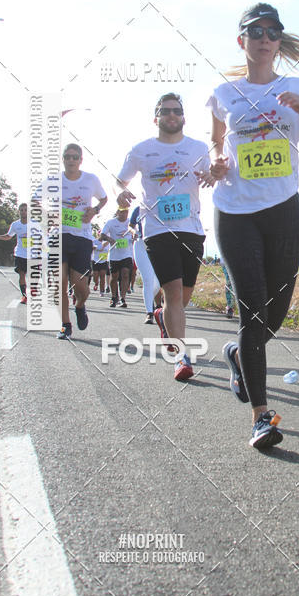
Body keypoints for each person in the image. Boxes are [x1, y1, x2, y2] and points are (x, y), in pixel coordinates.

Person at [207, 2, 299, 449]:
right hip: (235, 212)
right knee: (251, 309)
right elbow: (214, 145)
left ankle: (236, 354)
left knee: (276, 310)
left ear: (279, 42)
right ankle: (261, 417)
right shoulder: (223, 94)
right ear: (241, 40)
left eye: (272, 32)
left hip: (283, 209)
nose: (265, 38)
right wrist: (216, 162)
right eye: (256, 31)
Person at [117, 93, 211, 380]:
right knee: (172, 292)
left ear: (183, 117)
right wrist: (120, 194)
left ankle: (162, 317)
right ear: (155, 117)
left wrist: (214, 176)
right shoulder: (141, 150)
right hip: (157, 229)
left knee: (183, 298)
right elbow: (120, 182)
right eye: (166, 111)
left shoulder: (198, 147)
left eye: (177, 111)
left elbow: (211, 176)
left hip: (192, 228)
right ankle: (182, 357)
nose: (172, 115)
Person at [56, 144, 107, 339]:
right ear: (63, 159)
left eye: (75, 157)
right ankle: (65, 325)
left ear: (80, 160)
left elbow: (104, 198)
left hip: (82, 238)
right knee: (59, 282)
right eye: (67, 157)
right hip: (59, 236)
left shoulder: (91, 180)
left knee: (81, 287)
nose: (71, 160)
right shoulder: (54, 181)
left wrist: (95, 210)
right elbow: (36, 201)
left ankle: (80, 305)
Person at [129, 204, 162, 324]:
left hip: (158, 245)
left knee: (158, 282)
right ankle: (149, 312)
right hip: (140, 245)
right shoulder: (138, 209)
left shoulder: (161, 205)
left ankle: (149, 299)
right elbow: (130, 225)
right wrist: (133, 231)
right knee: (147, 279)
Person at [0, 203, 28, 302]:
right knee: (21, 274)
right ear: (19, 211)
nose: (23, 212)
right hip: (20, 253)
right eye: (22, 210)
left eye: (25, 210)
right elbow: (9, 236)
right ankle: (24, 296)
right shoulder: (15, 224)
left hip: (32, 254)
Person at [101, 207, 133, 308]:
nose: (125, 214)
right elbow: (102, 234)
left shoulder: (130, 222)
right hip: (114, 254)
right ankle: (114, 297)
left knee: (125, 274)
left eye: (126, 212)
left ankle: (123, 298)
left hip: (127, 253)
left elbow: (135, 231)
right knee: (114, 277)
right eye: (122, 212)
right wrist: (110, 239)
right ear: (118, 212)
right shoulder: (111, 222)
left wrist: (135, 236)